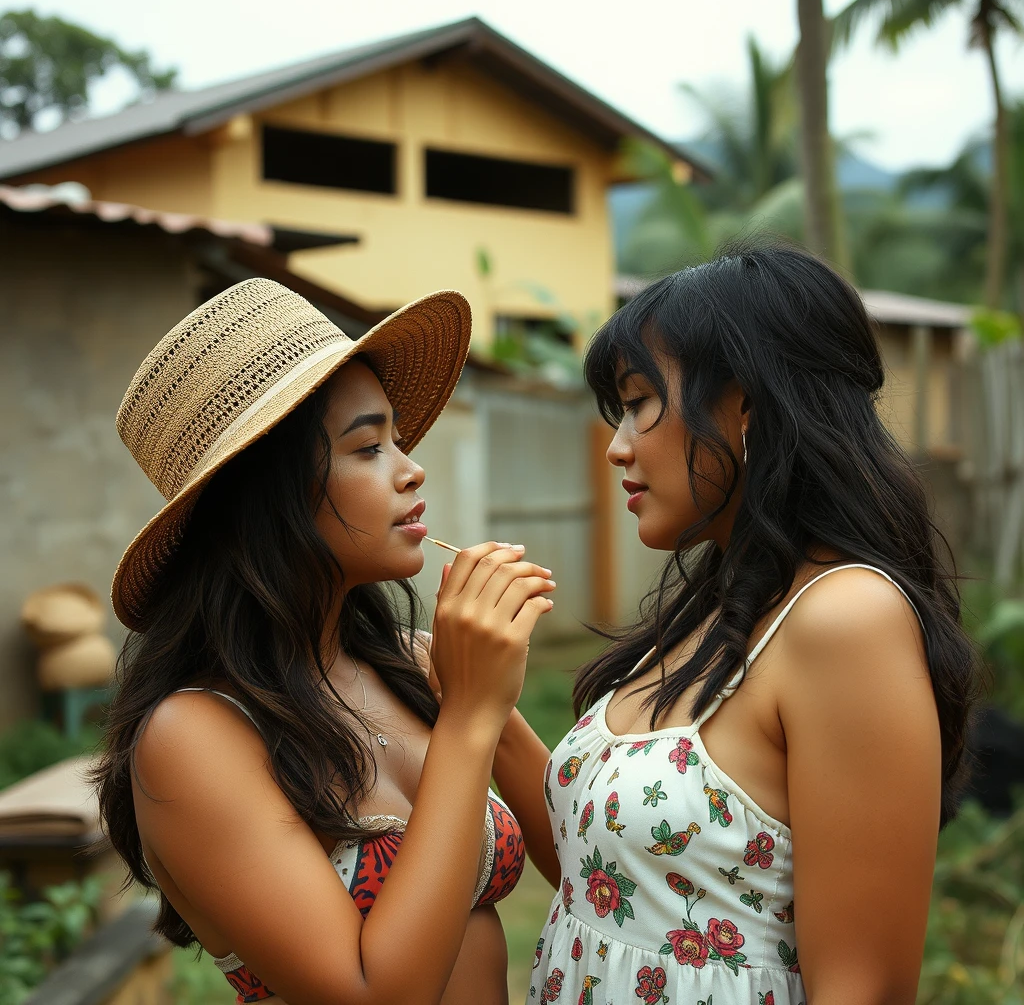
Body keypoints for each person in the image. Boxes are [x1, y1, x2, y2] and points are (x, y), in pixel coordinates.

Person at [491, 245, 977, 1005]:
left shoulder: (845, 621)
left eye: (640, 400)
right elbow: (619, 882)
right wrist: (477, 703)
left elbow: (866, 988)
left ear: (745, 404)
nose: (617, 445)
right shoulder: (720, 607)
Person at [95, 278, 556, 1005]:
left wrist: (489, 697)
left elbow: (586, 860)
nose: (411, 468)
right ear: (265, 496)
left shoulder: (418, 664)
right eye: (368, 446)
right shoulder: (195, 736)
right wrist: (470, 717)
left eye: (397, 439)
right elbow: (374, 994)